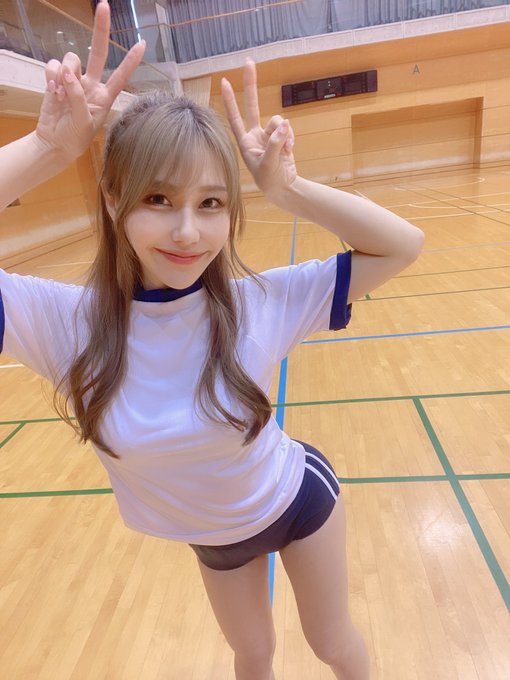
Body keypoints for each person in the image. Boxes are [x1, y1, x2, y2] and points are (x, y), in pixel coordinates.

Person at [0, 2, 424, 679]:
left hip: (297, 504)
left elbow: (403, 245)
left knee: (332, 644)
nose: (187, 232)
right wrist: (47, 149)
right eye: (158, 200)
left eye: (211, 203)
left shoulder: (259, 303)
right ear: (113, 200)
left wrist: (289, 189)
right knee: (251, 654)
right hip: (213, 539)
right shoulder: (67, 324)